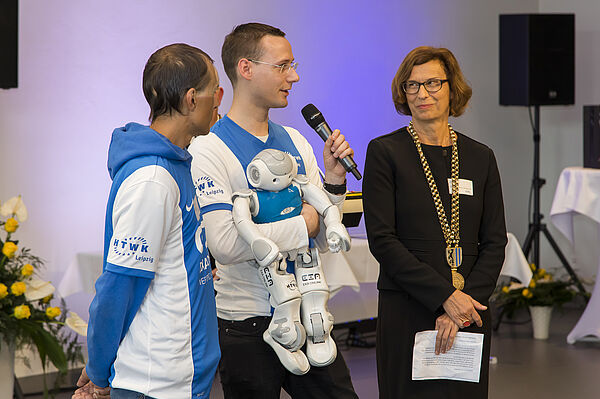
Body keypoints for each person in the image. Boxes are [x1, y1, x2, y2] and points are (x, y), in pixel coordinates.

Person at [188, 23, 358, 399]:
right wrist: (305, 223)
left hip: (308, 319)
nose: (293, 76)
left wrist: (332, 182)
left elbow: (324, 241)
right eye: (283, 66)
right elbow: (227, 245)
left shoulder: (297, 141)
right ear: (246, 69)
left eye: (293, 65)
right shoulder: (208, 150)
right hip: (245, 324)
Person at [72, 43, 221, 399]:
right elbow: (118, 287)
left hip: (180, 376)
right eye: (214, 90)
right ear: (190, 100)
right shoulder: (153, 179)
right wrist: (99, 368)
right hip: (159, 383)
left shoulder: (174, 165)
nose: (219, 100)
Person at [363, 46, 507, 399]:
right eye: (412, 86)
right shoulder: (385, 153)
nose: (422, 94)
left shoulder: (480, 156)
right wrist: (444, 297)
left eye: (432, 83)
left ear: (452, 88)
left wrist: (462, 303)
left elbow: (494, 241)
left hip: (469, 311)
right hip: (408, 308)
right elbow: (383, 241)